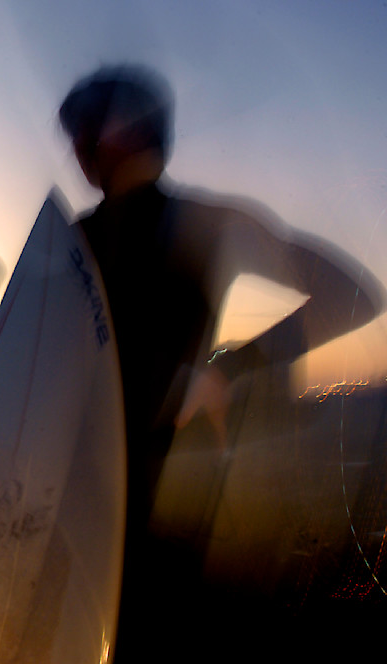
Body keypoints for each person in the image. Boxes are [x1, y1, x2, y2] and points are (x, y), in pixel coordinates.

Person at [57, 64, 384, 661]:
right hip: (73, 491)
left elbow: (352, 295)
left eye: (84, 131)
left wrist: (228, 369)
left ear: (128, 131)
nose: (75, 150)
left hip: (169, 501)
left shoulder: (202, 223)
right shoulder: (69, 240)